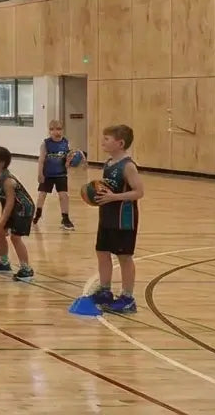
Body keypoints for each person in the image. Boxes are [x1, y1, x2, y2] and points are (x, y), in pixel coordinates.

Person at [88, 124, 145, 313]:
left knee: (124, 257)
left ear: (120, 143)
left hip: (123, 219)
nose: (102, 142)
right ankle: (105, 291)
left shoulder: (128, 166)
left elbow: (139, 192)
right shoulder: (109, 163)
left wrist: (114, 197)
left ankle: (128, 298)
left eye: (107, 139)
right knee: (102, 252)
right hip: (107, 216)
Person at [0, 146, 36, 282]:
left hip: (23, 208)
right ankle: (4, 262)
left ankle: (26, 269)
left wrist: (1, 222)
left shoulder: (8, 180)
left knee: (15, 237)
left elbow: (10, 203)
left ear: (2, 163)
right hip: (11, 207)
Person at [36, 120, 77, 231]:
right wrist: (40, 173)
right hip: (47, 174)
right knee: (42, 195)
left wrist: (69, 161)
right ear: (49, 131)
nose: (56, 132)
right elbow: (41, 160)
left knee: (63, 196)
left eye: (58, 129)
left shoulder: (66, 143)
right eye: (52, 129)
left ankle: (65, 218)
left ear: (62, 130)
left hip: (61, 174)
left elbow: (67, 163)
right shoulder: (46, 143)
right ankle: (37, 215)